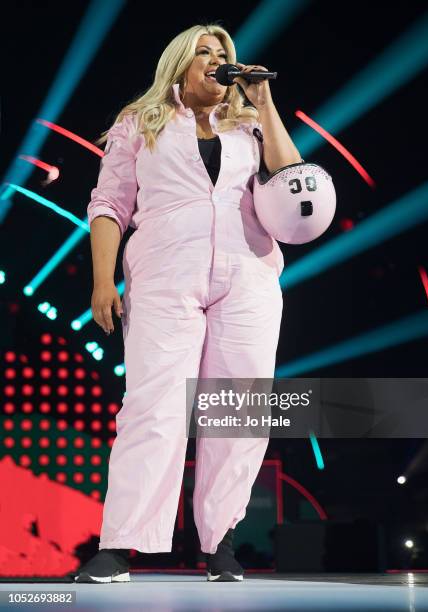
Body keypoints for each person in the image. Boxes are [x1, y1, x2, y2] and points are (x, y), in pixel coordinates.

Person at [73, 23, 302, 584]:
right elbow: (108, 203)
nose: (218, 60)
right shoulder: (140, 123)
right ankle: (122, 543)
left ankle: (220, 540)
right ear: (180, 64)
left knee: (240, 408)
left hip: (247, 275)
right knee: (153, 406)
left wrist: (264, 104)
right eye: (206, 52)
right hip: (164, 276)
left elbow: (296, 180)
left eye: (224, 53)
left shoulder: (249, 126)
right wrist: (104, 280)